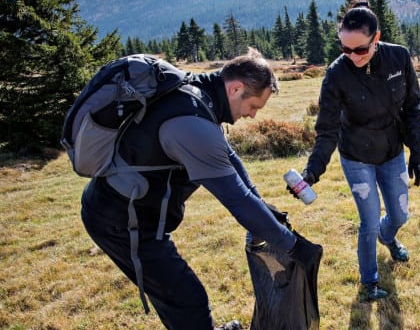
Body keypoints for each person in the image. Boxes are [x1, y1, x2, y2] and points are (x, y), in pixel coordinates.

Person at [80, 48, 321, 330]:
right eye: (253, 106)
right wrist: (292, 245)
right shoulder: (192, 126)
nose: (253, 116)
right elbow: (236, 200)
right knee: (187, 302)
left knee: (179, 298)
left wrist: (264, 208)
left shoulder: (198, 97)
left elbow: (231, 159)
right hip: (121, 222)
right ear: (235, 88)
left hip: (132, 213)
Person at [289, 0, 420, 301]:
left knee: (400, 215)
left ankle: (387, 236)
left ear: (376, 38)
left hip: (392, 152)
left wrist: (418, 150)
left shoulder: (399, 57)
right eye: (345, 48)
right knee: (367, 219)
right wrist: (312, 172)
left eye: (360, 49)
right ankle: (370, 282)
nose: (352, 55)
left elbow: (413, 108)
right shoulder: (336, 74)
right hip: (356, 157)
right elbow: (326, 130)